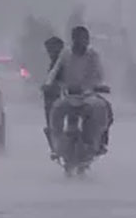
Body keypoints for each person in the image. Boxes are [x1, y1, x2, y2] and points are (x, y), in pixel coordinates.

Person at [45, 26, 110, 156]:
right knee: (56, 110)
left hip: (88, 95)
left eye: (85, 39)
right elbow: (55, 71)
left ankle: (97, 142)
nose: (82, 43)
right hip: (69, 95)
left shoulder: (93, 55)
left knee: (103, 110)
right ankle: (57, 144)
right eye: (79, 39)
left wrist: (99, 86)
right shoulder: (66, 54)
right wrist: (48, 85)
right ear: (73, 40)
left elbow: (100, 74)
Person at [42, 36, 64, 158]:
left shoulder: (66, 61)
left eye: (54, 50)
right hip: (54, 98)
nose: (51, 53)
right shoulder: (53, 64)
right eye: (49, 50)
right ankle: (55, 147)